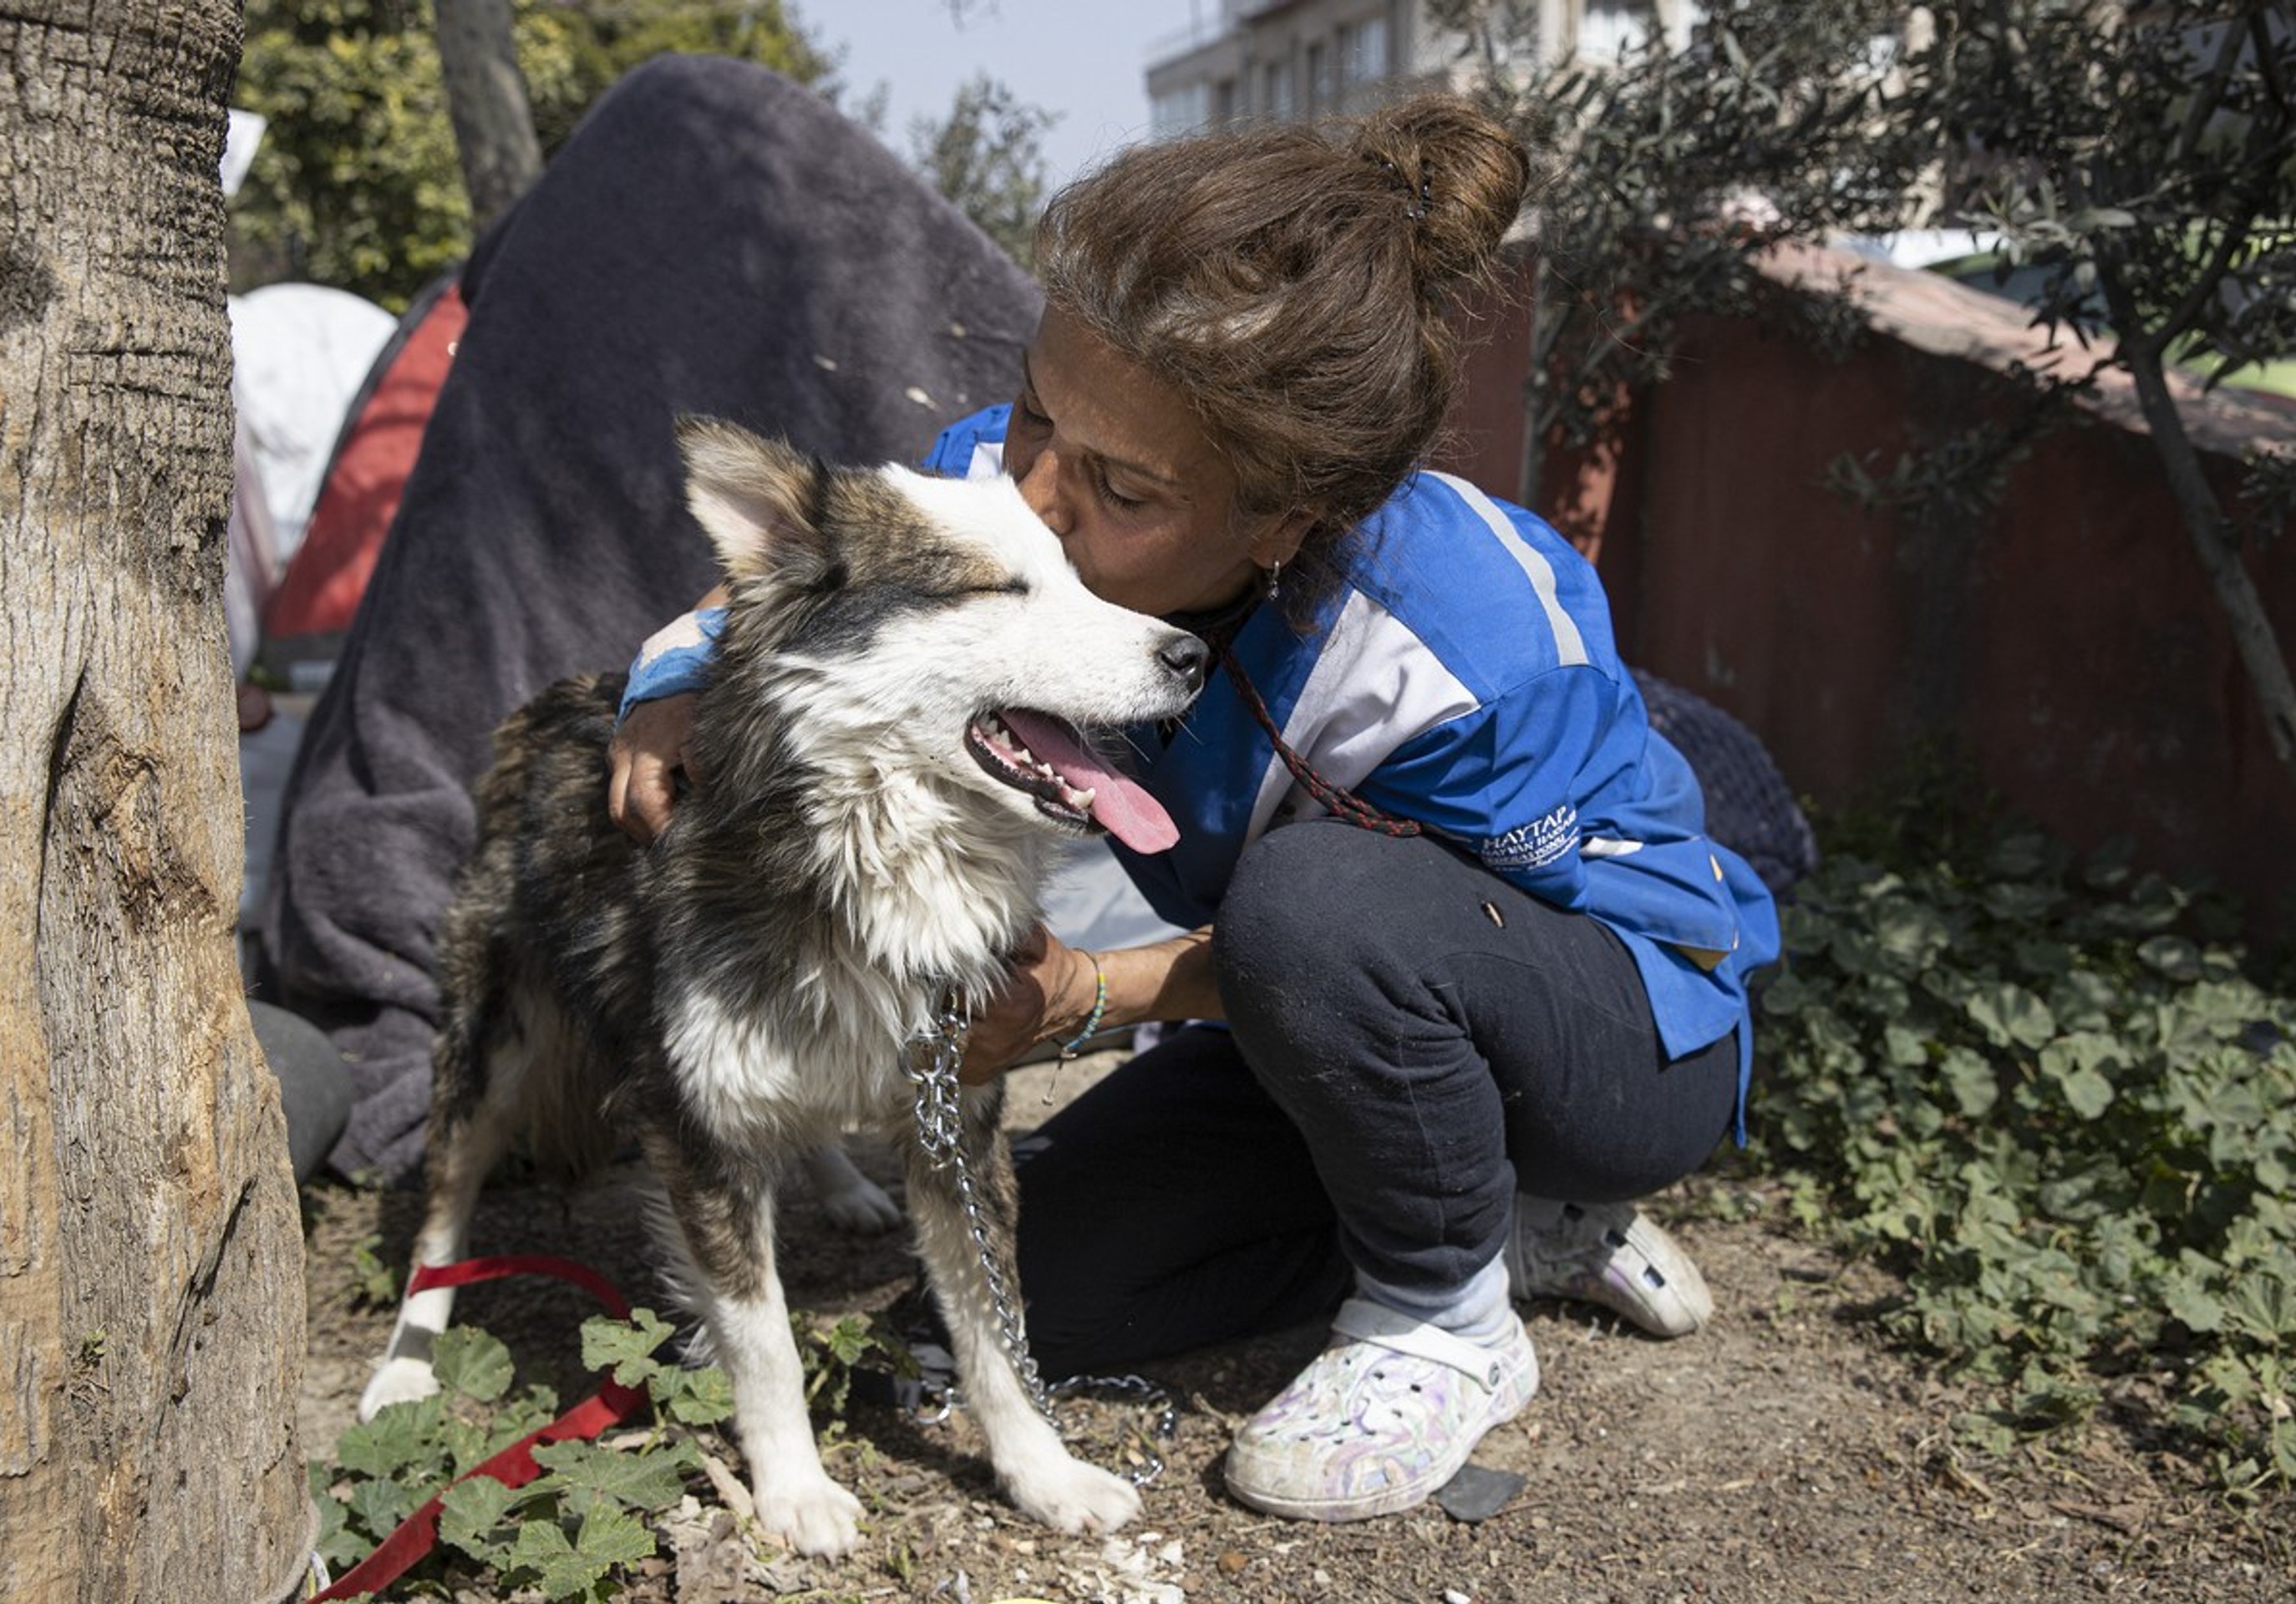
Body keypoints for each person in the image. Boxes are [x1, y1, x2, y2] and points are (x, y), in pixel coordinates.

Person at [605, 93, 1780, 1523]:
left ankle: (1447, 1317)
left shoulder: (1462, 646)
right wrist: (668, 681)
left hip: (1610, 1021)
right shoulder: (1021, 486)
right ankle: (1503, 1229)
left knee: (1317, 902)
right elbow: (825, 573)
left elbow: (1465, 942)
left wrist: (1094, 991)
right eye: (1037, 405)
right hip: (1318, 1019)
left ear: (1286, 521)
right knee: (1047, 1283)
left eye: (1119, 483)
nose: (1032, 493)